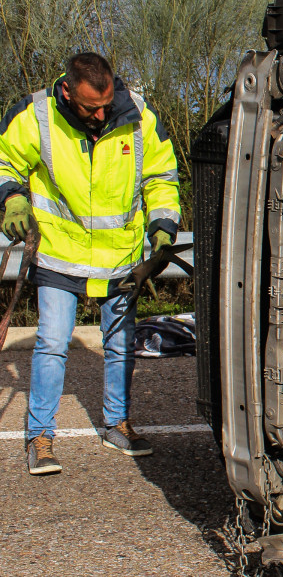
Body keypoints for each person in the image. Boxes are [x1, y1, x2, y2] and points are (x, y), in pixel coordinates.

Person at [0, 52, 181, 475]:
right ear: (67, 90)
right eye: (89, 108)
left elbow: (162, 175)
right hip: (59, 254)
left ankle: (117, 424)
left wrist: (163, 225)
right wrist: (12, 197)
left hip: (120, 258)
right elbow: (5, 160)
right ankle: (40, 437)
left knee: (120, 346)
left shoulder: (137, 113)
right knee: (51, 345)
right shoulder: (37, 114)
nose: (101, 115)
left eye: (105, 105)